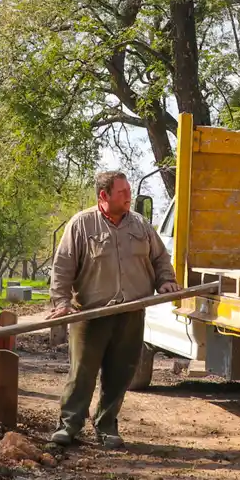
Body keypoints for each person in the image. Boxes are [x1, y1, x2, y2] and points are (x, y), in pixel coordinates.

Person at [48, 171, 181, 449]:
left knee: (121, 373)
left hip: (131, 313)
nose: (128, 196)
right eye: (121, 192)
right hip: (91, 315)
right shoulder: (81, 225)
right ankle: (69, 425)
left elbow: (160, 258)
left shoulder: (141, 225)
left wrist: (166, 281)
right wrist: (62, 302)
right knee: (82, 373)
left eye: (129, 190)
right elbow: (62, 267)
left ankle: (106, 426)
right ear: (103, 196)